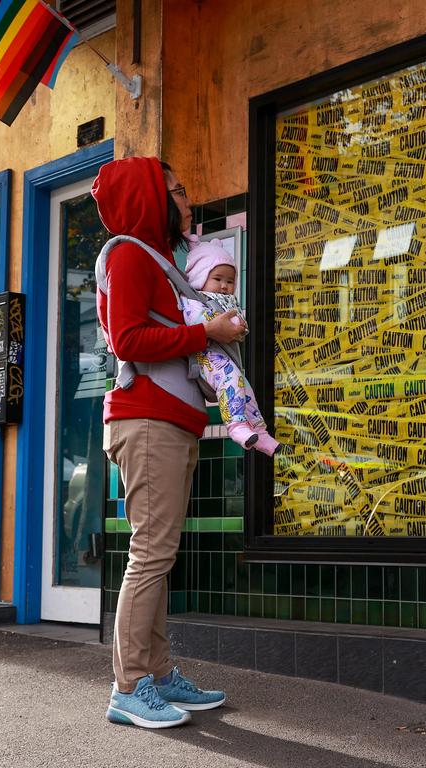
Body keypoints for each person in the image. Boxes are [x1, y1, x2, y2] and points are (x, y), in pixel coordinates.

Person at [92, 156, 243, 729]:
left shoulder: (155, 257)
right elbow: (129, 337)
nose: (187, 201)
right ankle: (129, 686)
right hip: (147, 419)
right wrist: (207, 331)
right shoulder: (129, 253)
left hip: (169, 421)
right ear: (151, 198)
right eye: (177, 192)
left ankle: (156, 674)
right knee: (150, 554)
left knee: (158, 554)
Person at [180, 238, 280, 455]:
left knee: (245, 389)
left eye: (230, 281)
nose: (224, 286)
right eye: (217, 279)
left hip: (223, 356)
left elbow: (239, 327)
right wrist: (222, 323)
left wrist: (239, 326)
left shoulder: (227, 302)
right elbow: (195, 319)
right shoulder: (192, 299)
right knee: (231, 381)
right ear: (200, 277)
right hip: (205, 356)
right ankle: (236, 425)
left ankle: (260, 432)